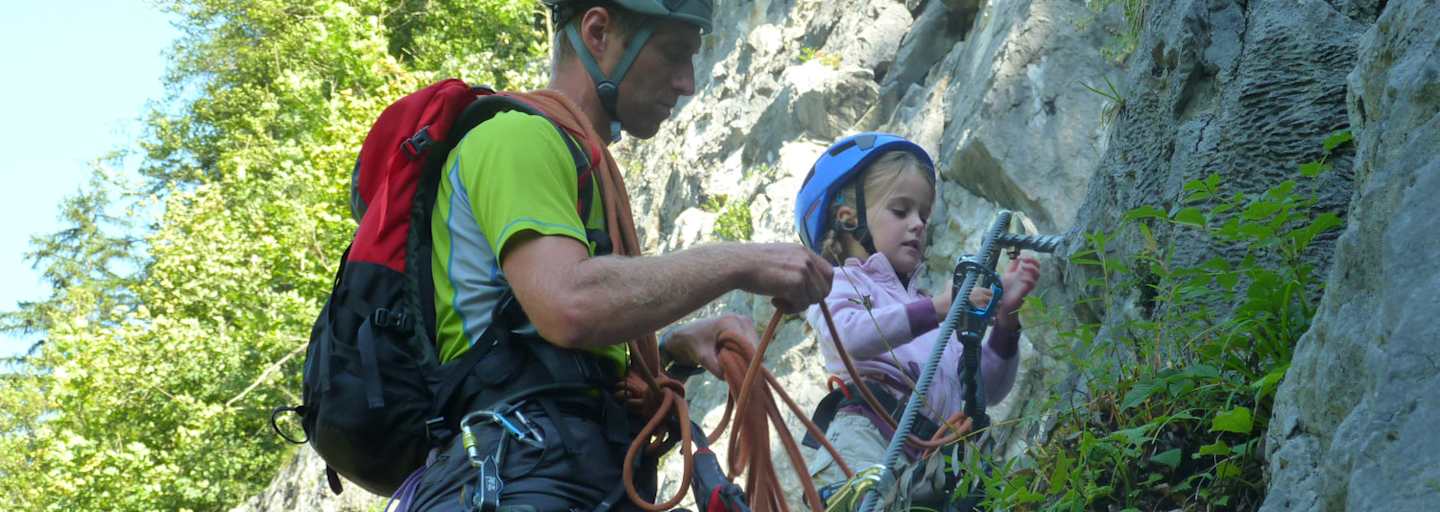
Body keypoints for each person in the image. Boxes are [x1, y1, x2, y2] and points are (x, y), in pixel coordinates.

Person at [404, 1, 835, 510]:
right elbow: (569, 304)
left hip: (554, 471)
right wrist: (743, 262)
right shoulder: (515, 138)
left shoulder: (578, 162)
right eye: (673, 53)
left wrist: (672, 350)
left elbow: (556, 349)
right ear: (598, 32)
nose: (687, 82)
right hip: (518, 472)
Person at [792, 133, 1042, 494]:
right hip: (866, 439)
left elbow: (984, 389)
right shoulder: (839, 283)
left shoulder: (927, 313)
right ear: (848, 218)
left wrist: (1006, 322)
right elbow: (850, 336)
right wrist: (938, 308)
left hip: (929, 461)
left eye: (923, 215)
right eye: (901, 211)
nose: (918, 224)